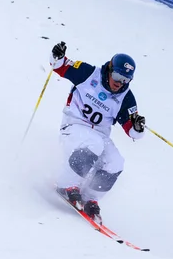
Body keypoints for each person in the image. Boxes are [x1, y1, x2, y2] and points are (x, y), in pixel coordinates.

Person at [49, 41, 146, 222]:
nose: (119, 83)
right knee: (94, 144)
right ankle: (66, 185)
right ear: (110, 69)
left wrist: (138, 127)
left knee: (116, 162)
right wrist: (57, 55)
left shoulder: (126, 98)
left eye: (125, 80)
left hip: (100, 135)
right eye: (117, 76)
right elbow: (60, 66)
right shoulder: (88, 73)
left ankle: (89, 198)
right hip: (74, 125)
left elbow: (132, 131)